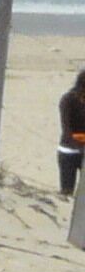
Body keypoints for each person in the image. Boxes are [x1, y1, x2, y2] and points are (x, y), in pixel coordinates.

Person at [58, 67, 85, 197]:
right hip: (68, 151)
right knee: (67, 193)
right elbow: (66, 128)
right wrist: (79, 143)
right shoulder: (68, 99)